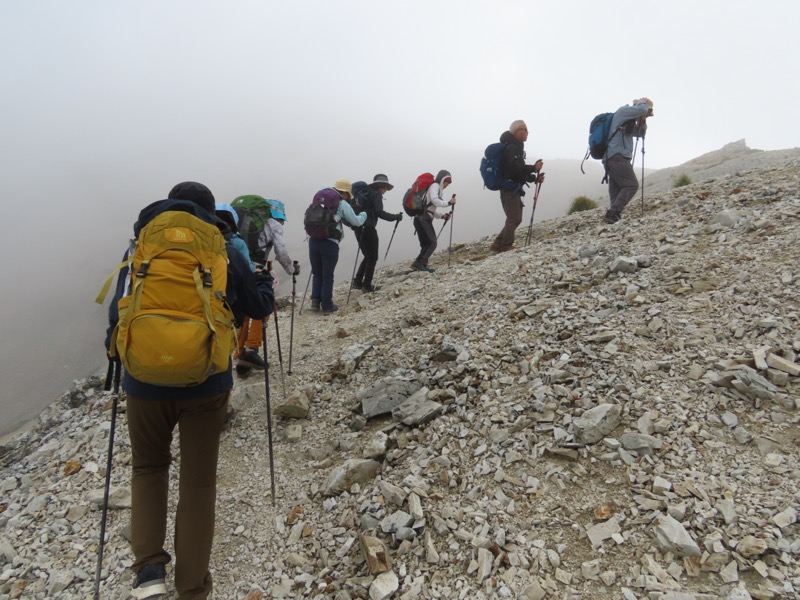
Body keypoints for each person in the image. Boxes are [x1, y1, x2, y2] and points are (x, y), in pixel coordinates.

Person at [105, 182, 274, 599]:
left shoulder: (140, 247)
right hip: (207, 379)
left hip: (143, 380)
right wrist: (264, 282)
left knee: (148, 468)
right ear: (210, 213)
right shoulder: (224, 249)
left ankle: (148, 572)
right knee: (198, 483)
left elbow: (117, 314)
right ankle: (192, 588)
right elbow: (256, 307)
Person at [308, 179, 366, 313]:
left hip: (314, 240)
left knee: (317, 273)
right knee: (328, 275)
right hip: (330, 242)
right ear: (345, 193)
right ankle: (327, 306)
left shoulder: (319, 199)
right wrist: (364, 215)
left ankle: (315, 303)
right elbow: (356, 222)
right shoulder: (341, 203)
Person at [489, 120, 545, 252]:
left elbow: (518, 172)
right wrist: (533, 168)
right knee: (514, 218)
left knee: (516, 218)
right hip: (509, 188)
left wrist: (534, 178)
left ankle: (497, 244)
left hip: (511, 187)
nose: (527, 133)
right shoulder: (511, 148)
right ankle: (506, 246)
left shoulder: (515, 147)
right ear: (517, 132)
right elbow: (514, 169)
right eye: (525, 130)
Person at [603, 97, 654, 224]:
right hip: (617, 156)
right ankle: (613, 212)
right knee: (631, 184)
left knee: (617, 188)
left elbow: (640, 134)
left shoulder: (626, 122)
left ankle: (612, 217)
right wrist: (643, 102)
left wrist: (643, 121)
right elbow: (642, 108)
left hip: (612, 157)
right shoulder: (623, 111)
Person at [352, 174, 403, 292]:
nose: (385, 190)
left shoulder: (364, 194)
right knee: (373, 256)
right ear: (380, 186)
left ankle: (358, 281)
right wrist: (394, 217)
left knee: (368, 255)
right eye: (385, 187)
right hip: (368, 228)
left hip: (358, 227)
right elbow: (379, 212)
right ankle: (367, 285)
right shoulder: (376, 195)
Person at [411, 169, 455, 272]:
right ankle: (420, 263)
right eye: (446, 182)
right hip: (423, 219)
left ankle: (419, 265)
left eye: (448, 183)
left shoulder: (435, 188)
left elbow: (431, 209)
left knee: (426, 244)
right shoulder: (435, 186)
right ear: (442, 179)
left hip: (421, 218)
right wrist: (449, 203)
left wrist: (443, 216)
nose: (447, 185)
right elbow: (435, 201)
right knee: (432, 242)